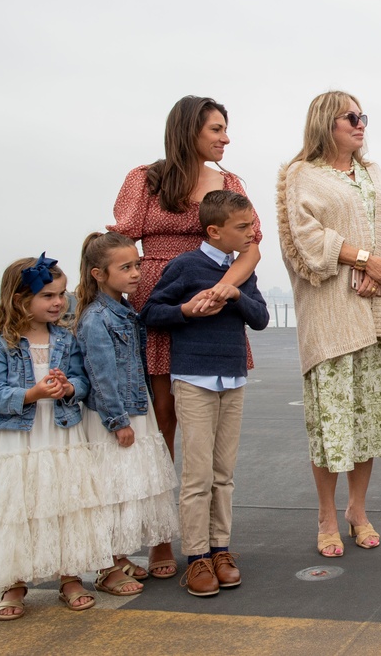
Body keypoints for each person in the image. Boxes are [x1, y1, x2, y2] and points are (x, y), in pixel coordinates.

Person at [109, 95, 261, 577]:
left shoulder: (231, 184)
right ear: (189, 131)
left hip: (214, 305)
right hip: (158, 306)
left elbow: (251, 249)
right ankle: (158, 539)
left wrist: (221, 290)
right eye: (217, 129)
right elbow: (119, 239)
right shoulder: (145, 178)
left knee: (206, 440)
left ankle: (209, 543)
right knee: (161, 426)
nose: (226, 138)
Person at [276, 90, 381, 558]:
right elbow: (306, 237)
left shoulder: (374, 172)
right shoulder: (301, 176)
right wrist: (363, 259)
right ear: (324, 124)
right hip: (332, 315)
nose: (360, 124)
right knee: (332, 420)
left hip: (379, 313)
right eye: (349, 118)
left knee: (369, 417)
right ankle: (326, 515)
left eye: (362, 117)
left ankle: (357, 509)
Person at [141, 190, 269, 596]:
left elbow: (262, 318)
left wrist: (235, 295)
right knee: (197, 475)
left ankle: (220, 550)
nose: (252, 233)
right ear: (214, 231)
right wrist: (185, 311)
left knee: (223, 475)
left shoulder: (241, 272)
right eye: (243, 227)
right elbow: (151, 313)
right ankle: (196, 557)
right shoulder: (185, 266)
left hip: (233, 379)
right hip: (194, 379)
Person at [0, 255, 110, 620]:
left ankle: (70, 577)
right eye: (48, 295)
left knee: (67, 502)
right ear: (20, 300)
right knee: (21, 508)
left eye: (62, 294)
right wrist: (32, 394)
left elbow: (81, 383)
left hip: (62, 436)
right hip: (22, 440)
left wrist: (67, 389)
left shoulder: (66, 339)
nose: (59, 302)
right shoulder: (0, 342)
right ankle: (14, 582)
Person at [75, 232, 181, 593]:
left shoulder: (124, 311)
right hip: (118, 415)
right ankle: (107, 566)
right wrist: (118, 421)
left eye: (137, 264)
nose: (137, 273)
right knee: (112, 489)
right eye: (126, 267)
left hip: (137, 408)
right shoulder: (96, 319)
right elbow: (101, 376)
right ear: (98, 274)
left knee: (128, 487)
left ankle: (119, 557)